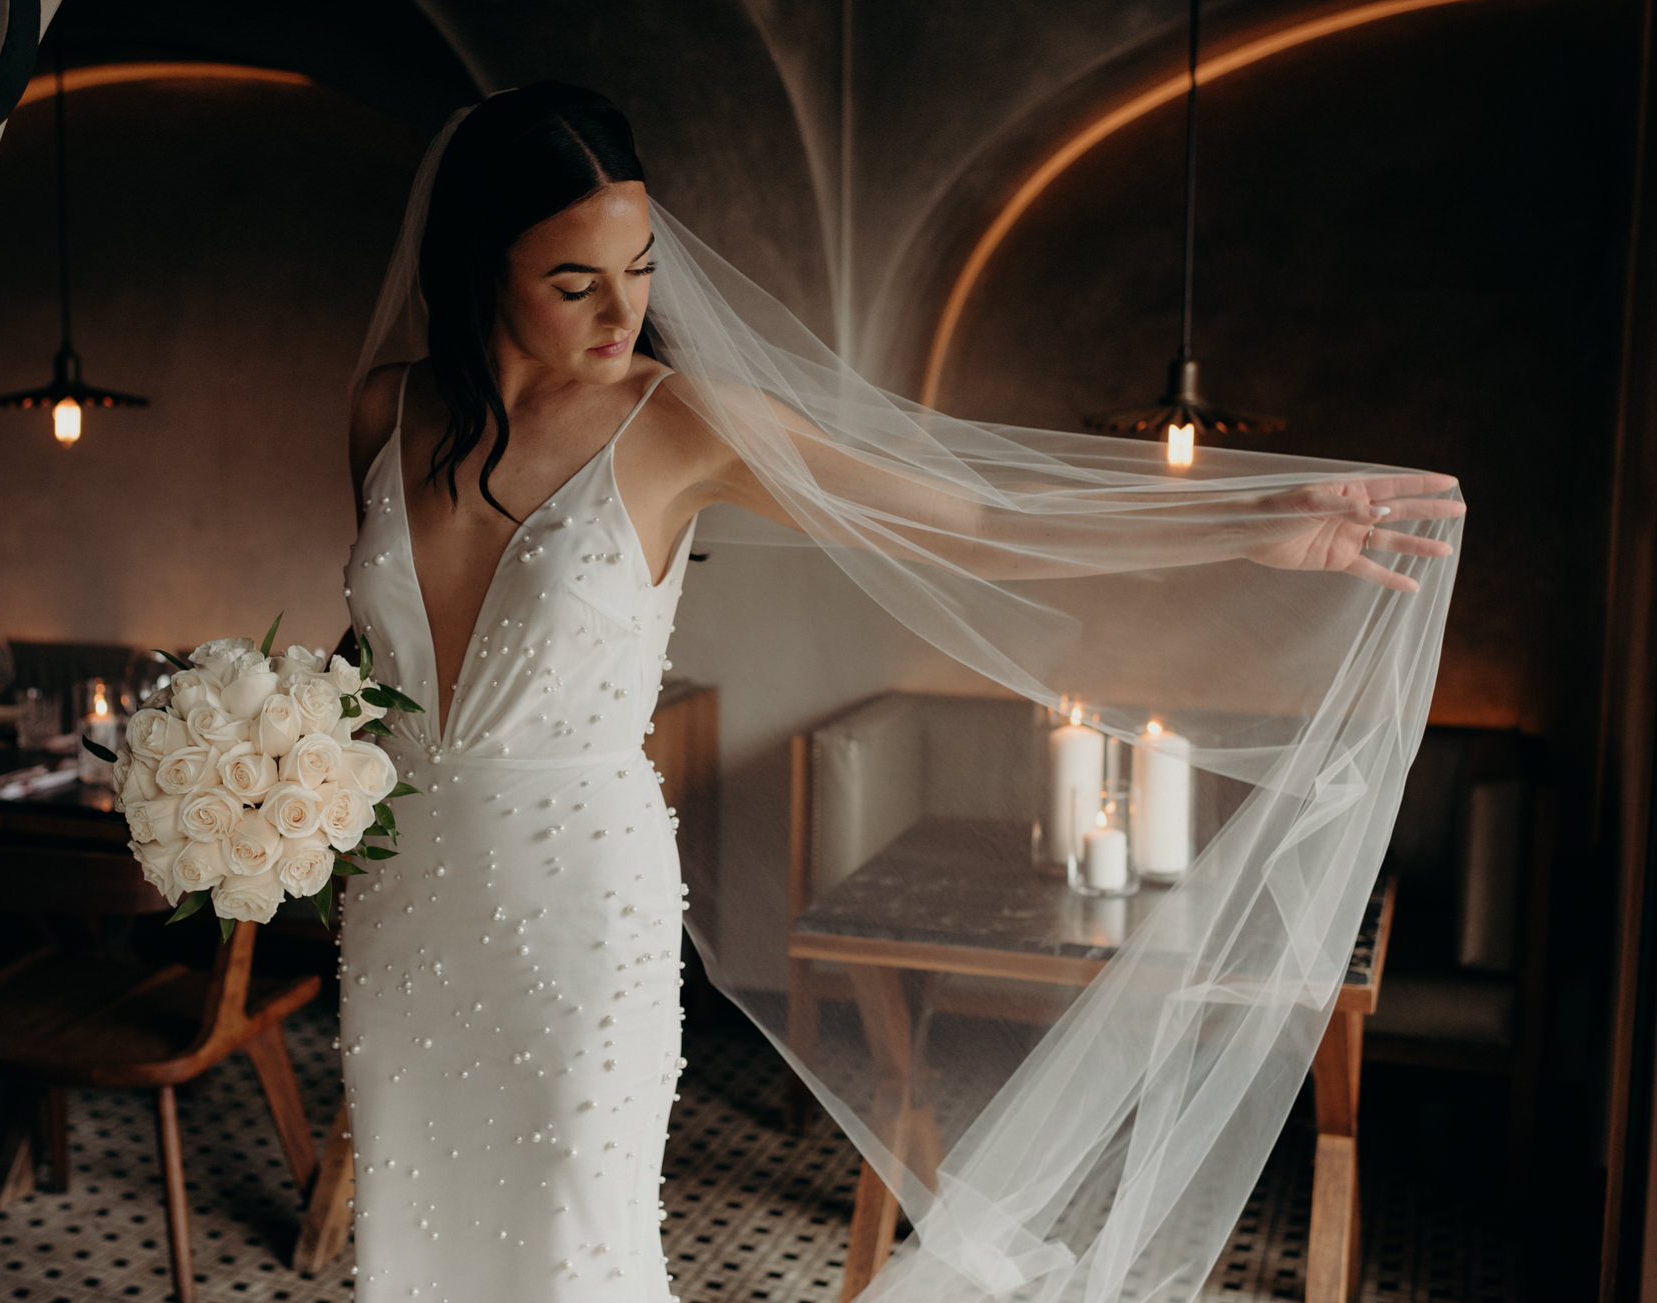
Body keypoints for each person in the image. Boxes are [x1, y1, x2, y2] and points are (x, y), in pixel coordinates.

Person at [337, 82, 1462, 1302]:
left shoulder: (681, 423)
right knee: (414, 1225)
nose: (625, 310)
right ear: (476, 267)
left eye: (641, 268)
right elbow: (375, 658)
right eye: (575, 282)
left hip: (573, 903)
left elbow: (972, 521)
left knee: (569, 1235)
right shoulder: (381, 412)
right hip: (401, 900)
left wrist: (1241, 520)